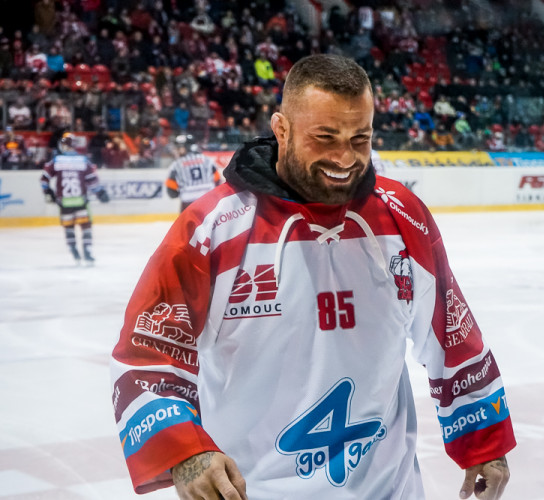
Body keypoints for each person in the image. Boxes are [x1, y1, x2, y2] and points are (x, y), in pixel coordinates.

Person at [111, 54, 515, 500]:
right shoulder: (212, 230)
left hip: (387, 490)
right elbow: (148, 355)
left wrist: (484, 440)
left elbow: (451, 334)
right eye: (324, 138)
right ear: (281, 129)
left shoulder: (402, 218)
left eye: (359, 138)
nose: (345, 157)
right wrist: (185, 452)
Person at [40, 132, 110, 264]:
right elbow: (92, 181)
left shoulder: (56, 161)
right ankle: (87, 251)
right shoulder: (83, 161)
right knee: (86, 226)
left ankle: (73, 250)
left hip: (64, 202)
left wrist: (48, 192)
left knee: (69, 227)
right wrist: (100, 193)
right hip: (80, 201)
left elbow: (44, 179)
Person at [165, 134, 222, 212]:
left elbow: (171, 191)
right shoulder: (208, 161)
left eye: (180, 147)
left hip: (188, 203)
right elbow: (218, 181)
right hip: (209, 201)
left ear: (187, 147)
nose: (177, 150)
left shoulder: (176, 165)